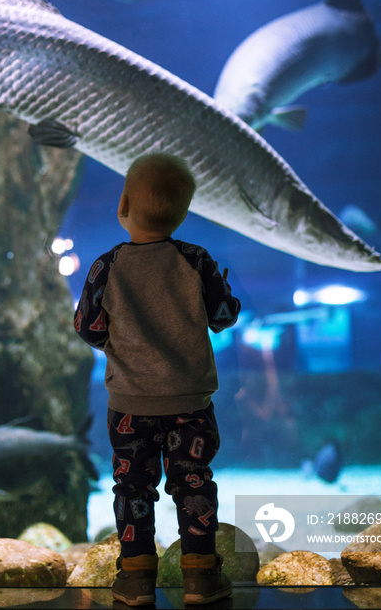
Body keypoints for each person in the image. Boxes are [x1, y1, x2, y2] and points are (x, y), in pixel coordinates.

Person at [74, 152, 241, 606]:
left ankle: (135, 580)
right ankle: (201, 579)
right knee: (194, 484)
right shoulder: (195, 259)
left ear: (123, 202)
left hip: (130, 406)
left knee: (133, 488)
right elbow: (223, 317)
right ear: (184, 212)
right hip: (190, 403)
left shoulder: (105, 267)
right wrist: (226, 295)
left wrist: (118, 342)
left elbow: (88, 328)